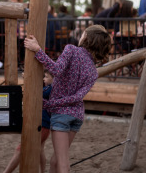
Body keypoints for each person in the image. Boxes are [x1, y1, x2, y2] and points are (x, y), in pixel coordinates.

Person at [24, 25, 112, 172]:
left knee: (63, 164)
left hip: (62, 115)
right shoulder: (93, 71)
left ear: (86, 38)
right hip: (77, 116)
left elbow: (56, 70)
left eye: (83, 34)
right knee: (55, 161)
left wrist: (37, 50)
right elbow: (77, 97)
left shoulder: (71, 49)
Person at [3, 70, 54, 173]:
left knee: (20, 149)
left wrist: (28, 80)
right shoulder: (49, 87)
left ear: (54, 79)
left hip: (42, 124)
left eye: (46, 77)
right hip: (43, 124)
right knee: (40, 150)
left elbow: (36, 91)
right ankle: (42, 171)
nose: (44, 79)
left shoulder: (50, 88)